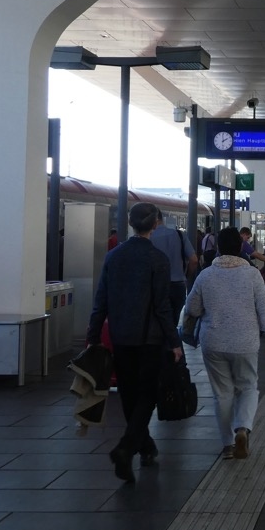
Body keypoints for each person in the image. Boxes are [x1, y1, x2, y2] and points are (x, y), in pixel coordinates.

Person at [86, 202, 182, 483]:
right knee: (148, 393)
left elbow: (101, 299)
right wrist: (174, 341)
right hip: (150, 338)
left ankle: (146, 445)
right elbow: (162, 306)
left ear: (130, 223)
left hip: (121, 336)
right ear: (155, 225)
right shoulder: (157, 259)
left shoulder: (113, 256)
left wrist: (93, 336)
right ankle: (127, 447)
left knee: (128, 392)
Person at [184, 227, 265, 460]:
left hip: (213, 342)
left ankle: (227, 444)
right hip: (245, 342)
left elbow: (192, 308)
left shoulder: (206, 275)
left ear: (218, 249)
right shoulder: (252, 274)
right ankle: (242, 428)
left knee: (222, 393)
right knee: (248, 387)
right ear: (240, 247)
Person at [150, 209, 198, 318]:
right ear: (161, 218)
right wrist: (186, 276)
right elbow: (194, 260)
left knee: (157, 321)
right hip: (178, 286)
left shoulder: (149, 237)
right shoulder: (180, 235)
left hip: (156, 286)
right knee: (174, 320)